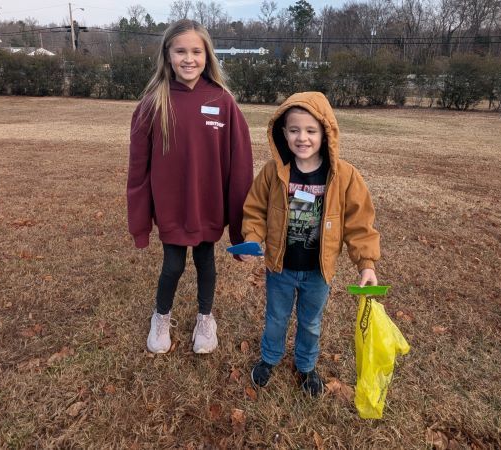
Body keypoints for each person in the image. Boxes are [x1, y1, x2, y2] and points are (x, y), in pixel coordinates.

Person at [239, 92, 380, 396]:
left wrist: (366, 263)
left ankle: (305, 366)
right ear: (283, 133)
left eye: (311, 130)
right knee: (275, 319)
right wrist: (251, 239)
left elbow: (359, 223)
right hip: (281, 269)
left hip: (318, 272)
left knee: (311, 323)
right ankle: (269, 358)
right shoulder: (273, 173)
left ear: (325, 133)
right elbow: (255, 211)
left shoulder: (344, 176)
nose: (302, 138)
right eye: (294, 130)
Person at [127, 20, 253, 355]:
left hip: (208, 209)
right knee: (173, 266)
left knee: (205, 263)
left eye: (196, 51)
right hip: (171, 210)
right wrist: (140, 225)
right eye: (180, 51)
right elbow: (138, 173)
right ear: (168, 55)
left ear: (207, 55)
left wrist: (242, 231)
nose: (189, 58)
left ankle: (205, 318)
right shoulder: (152, 104)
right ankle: (161, 317)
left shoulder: (223, 102)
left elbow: (240, 168)